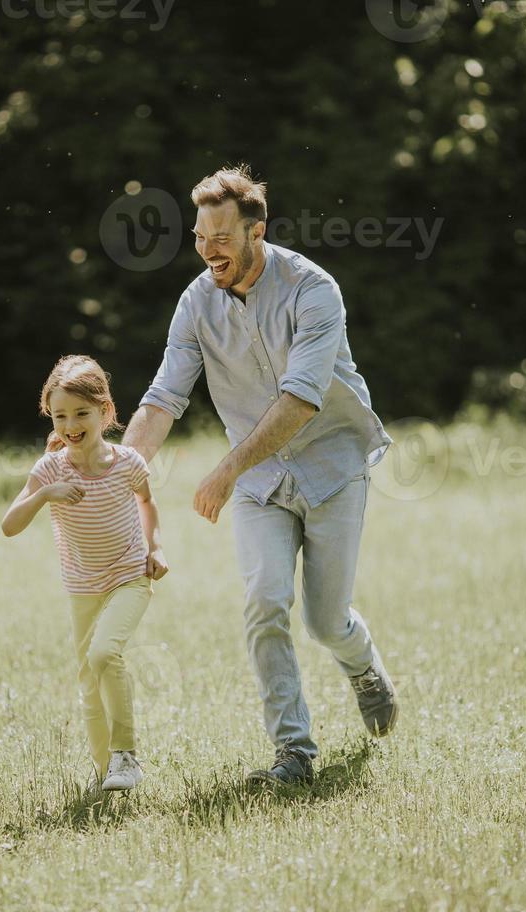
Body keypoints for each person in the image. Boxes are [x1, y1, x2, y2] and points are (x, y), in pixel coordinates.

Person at [123, 165, 398, 787]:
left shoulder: (313, 289)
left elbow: (301, 401)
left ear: (256, 232)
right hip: (260, 484)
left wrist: (223, 470)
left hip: (332, 466)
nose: (208, 250)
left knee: (326, 621)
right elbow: (164, 396)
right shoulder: (196, 303)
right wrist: (121, 471)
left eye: (221, 237)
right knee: (263, 601)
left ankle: (363, 665)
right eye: (199, 237)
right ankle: (294, 754)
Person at [2, 354, 169, 792]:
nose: (70, 424)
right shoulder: (50, 470)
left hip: (130, 576)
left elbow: (147, 503)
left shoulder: (128, 463)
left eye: (81, 413)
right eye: (60, 416)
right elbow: (9, 525)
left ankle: (125, 755)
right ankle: (105, 775)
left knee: (103, 654)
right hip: (82, 586)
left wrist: (155, 547)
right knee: (89, 685)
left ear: (105, 413)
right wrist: (44, 496)